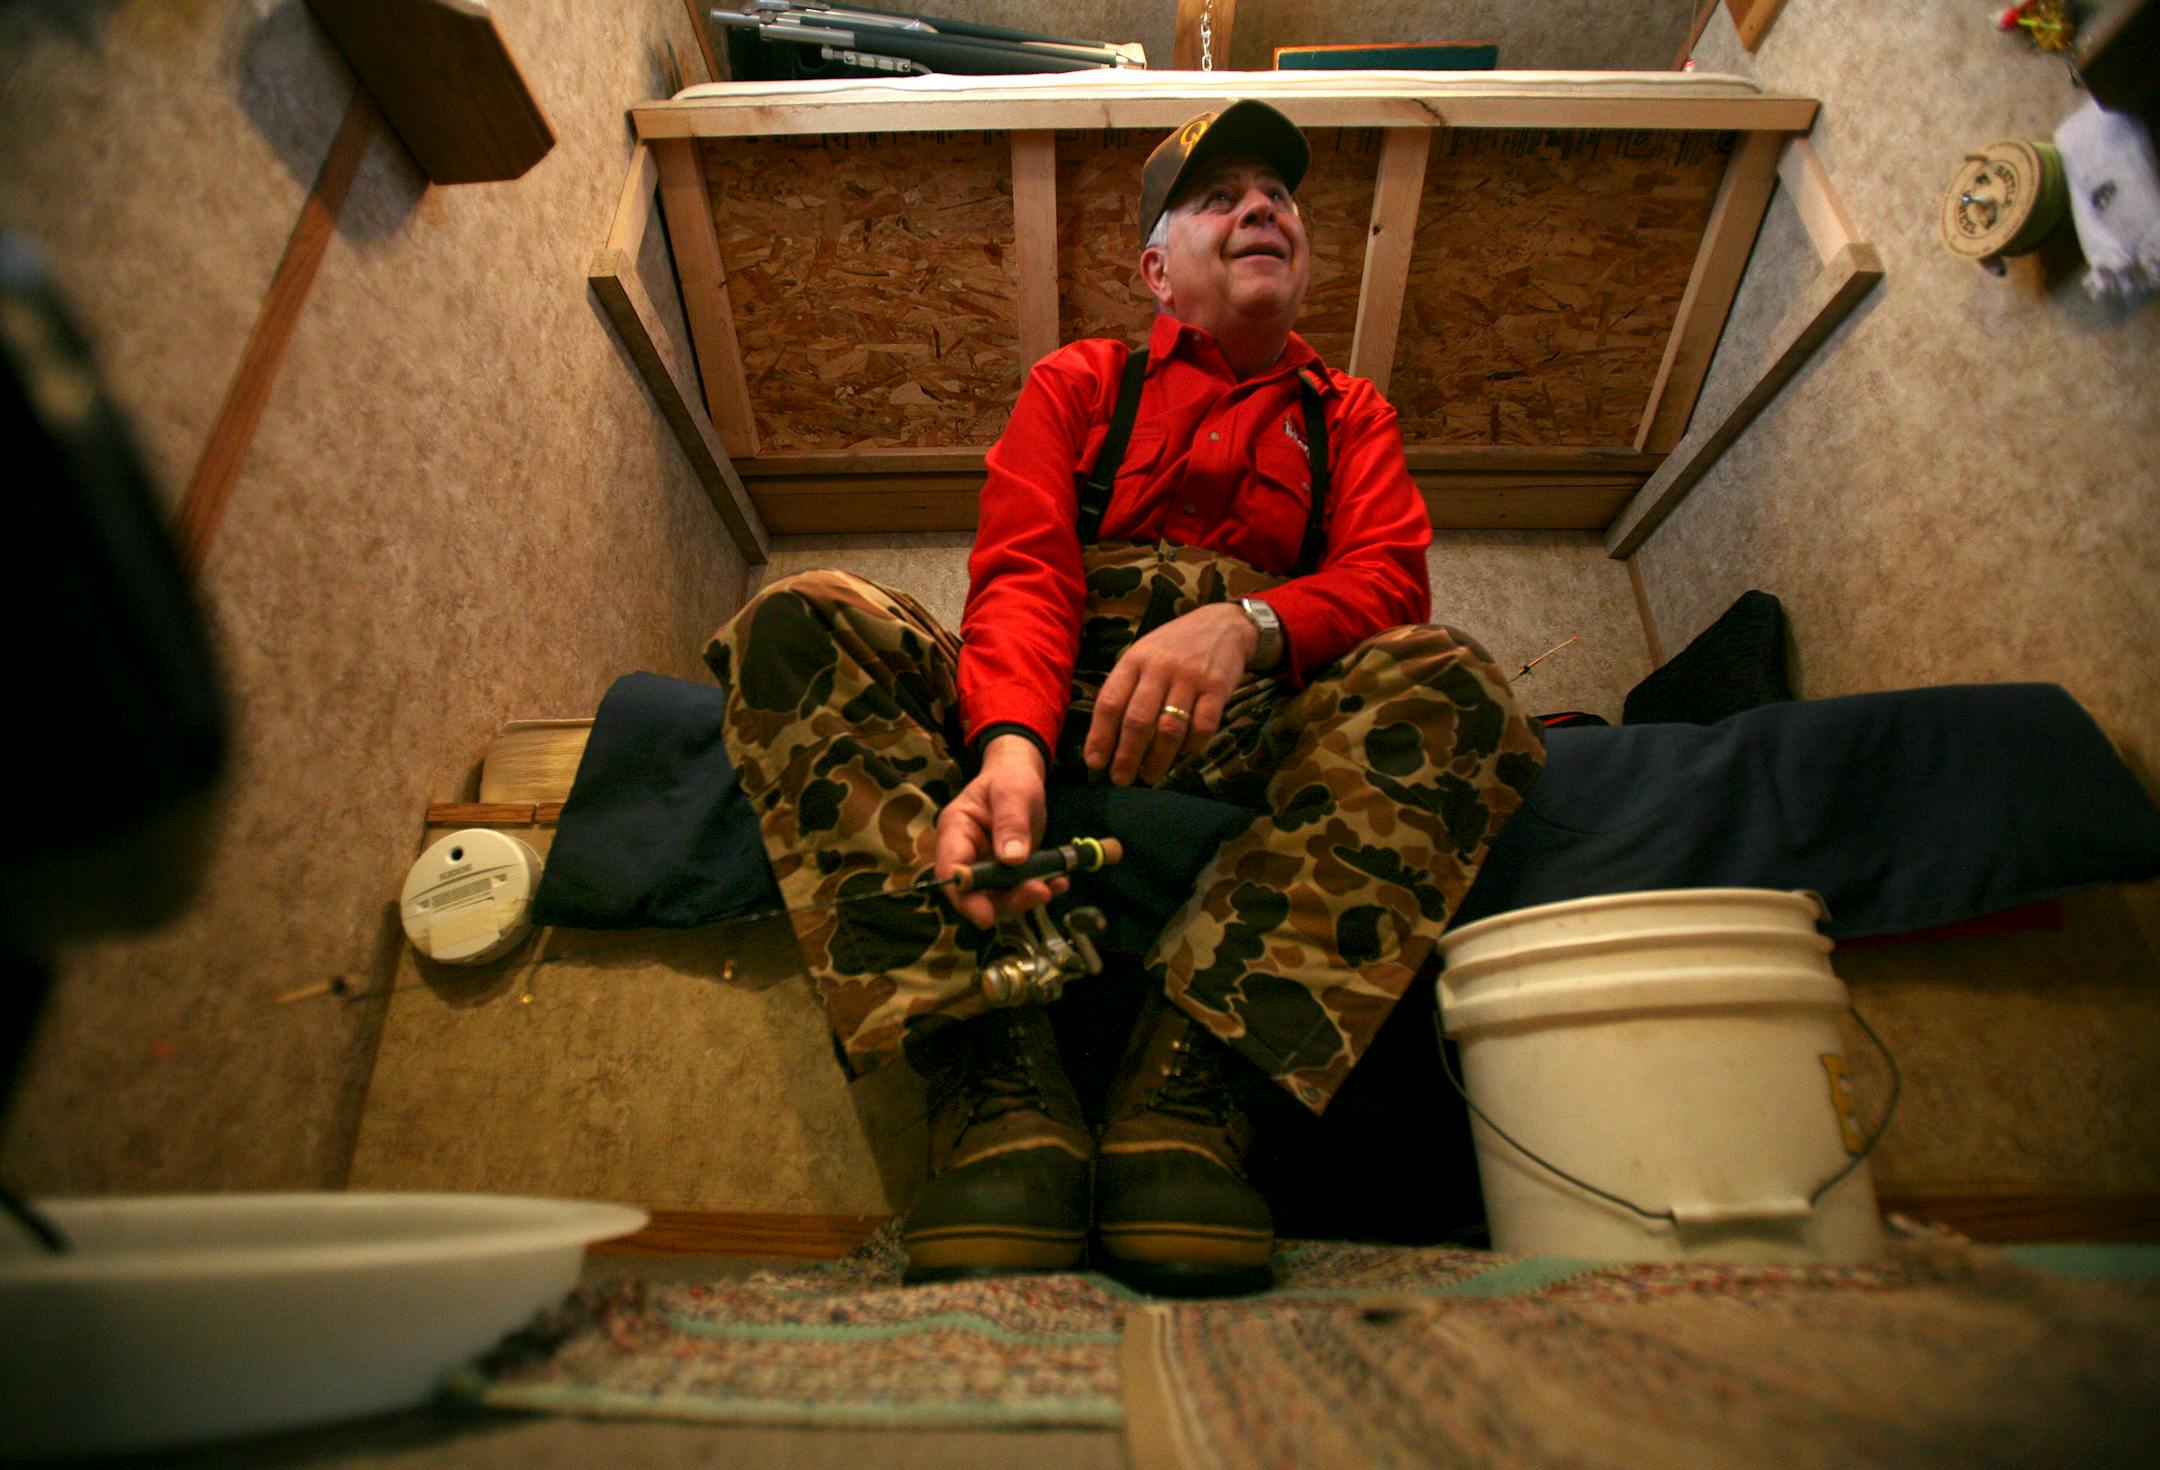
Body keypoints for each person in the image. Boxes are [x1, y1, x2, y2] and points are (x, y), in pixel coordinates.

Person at [705, 100, 1544, 1296]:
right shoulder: (1083, 381)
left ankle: (1190, 1102)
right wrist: (1006, 752)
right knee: (804, 616)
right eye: (1220, 196)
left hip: (1260, 733)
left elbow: (1388, 580)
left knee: (1454, 678)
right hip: (1055, 712)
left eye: (1280, 196)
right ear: (1157, 268)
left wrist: (1247, 623)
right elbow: (1023, 572)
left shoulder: (1350, 415)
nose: (1264, 207)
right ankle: (995, 1087)